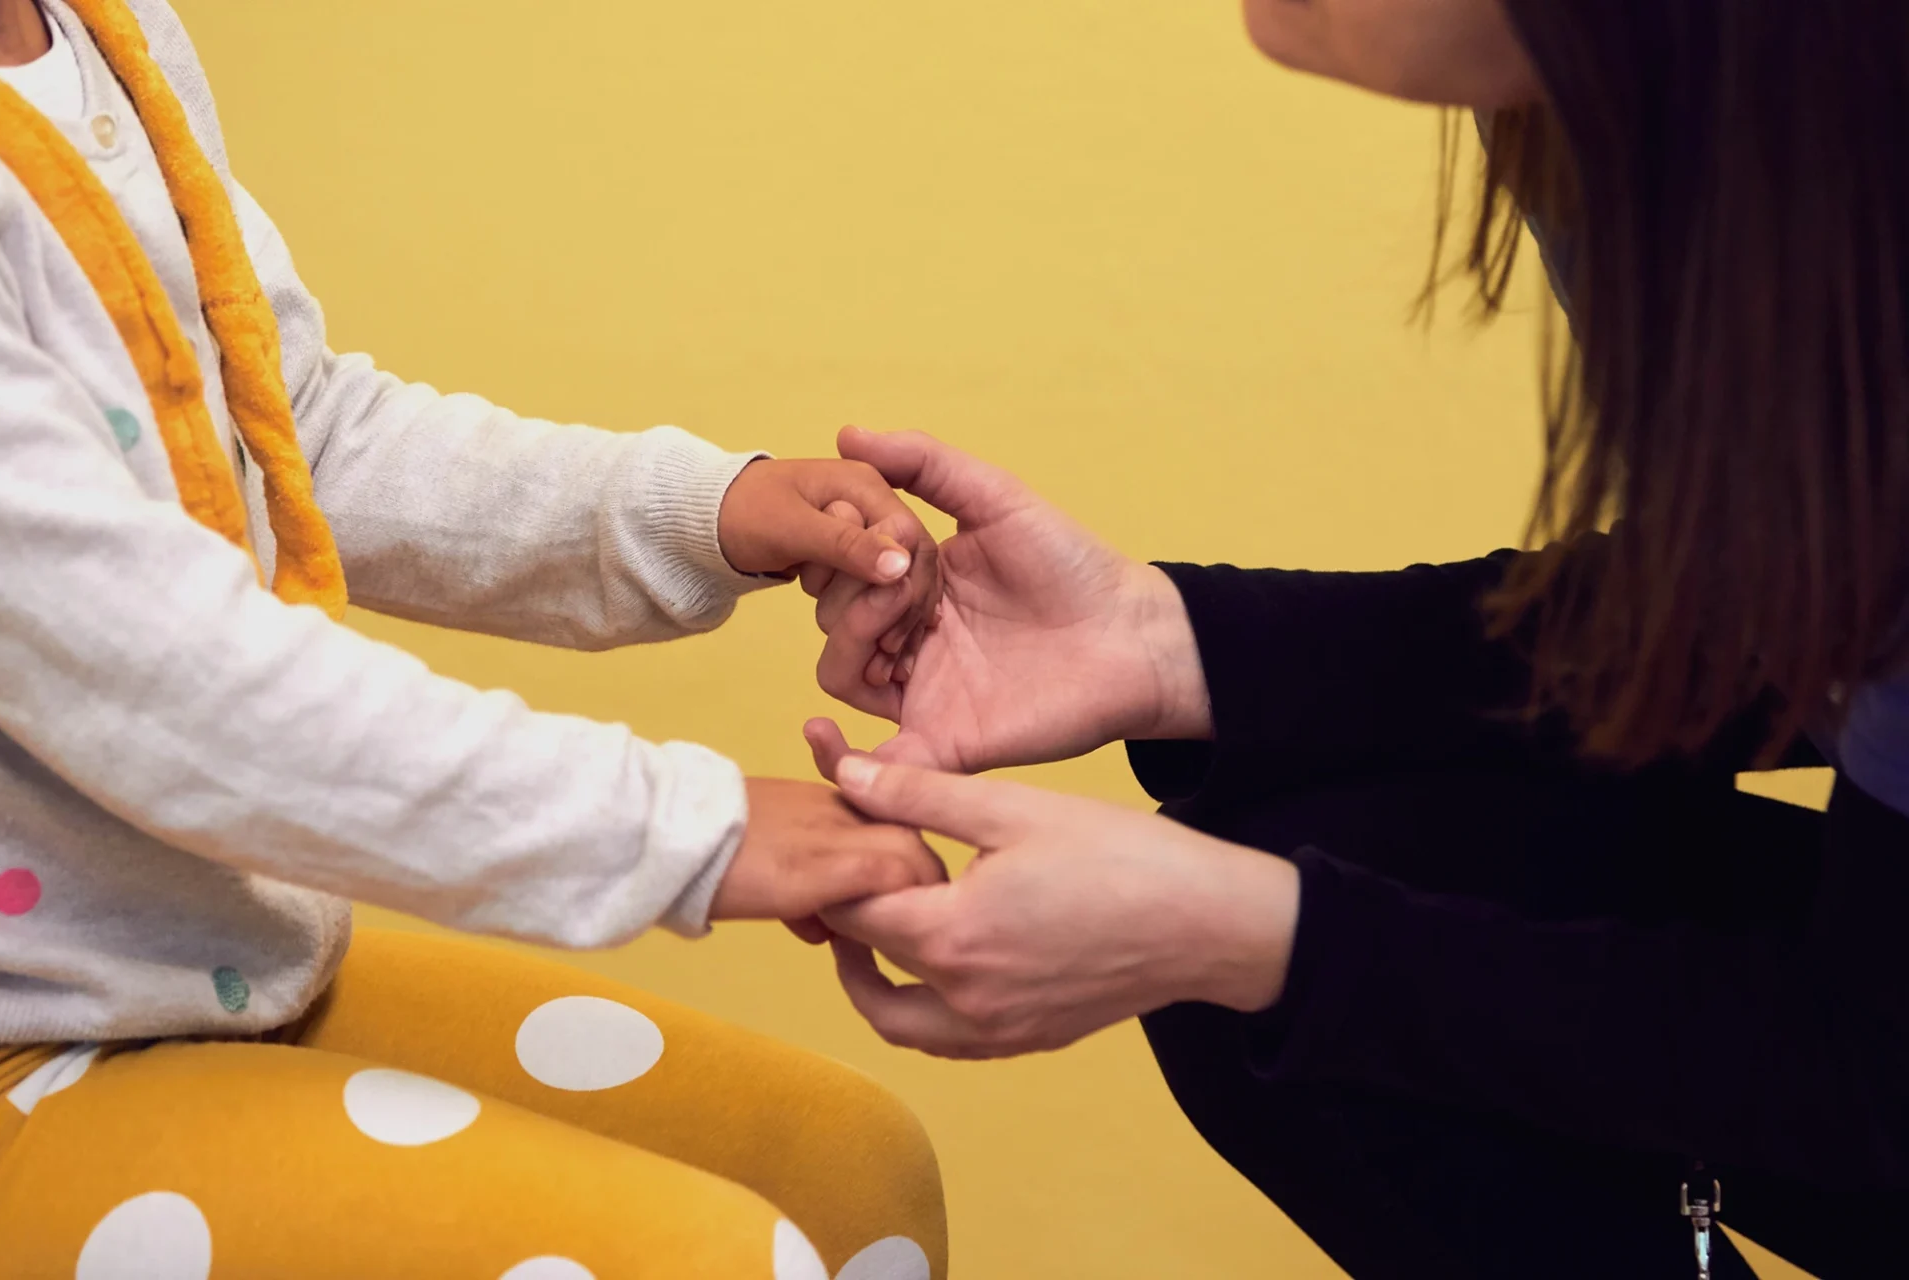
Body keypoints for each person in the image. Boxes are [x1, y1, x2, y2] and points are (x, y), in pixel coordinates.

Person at [806, 2, 1909, 1276]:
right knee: (1323, 865)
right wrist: (1177, 645)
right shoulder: (1643, 121)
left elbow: (1880, 1081)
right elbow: (1814, 606)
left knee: (1285, 947)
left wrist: (1265, 938)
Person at [0, 1, 948, 1276]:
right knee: (703, 1259)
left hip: (202, 965)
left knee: (843, 1162)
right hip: (22, 1027)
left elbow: (291, 433)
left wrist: (697, 511)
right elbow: (156, 673)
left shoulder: (112, 34)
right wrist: (679, 828)